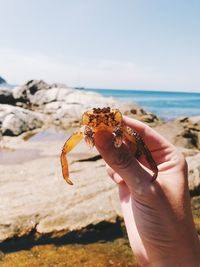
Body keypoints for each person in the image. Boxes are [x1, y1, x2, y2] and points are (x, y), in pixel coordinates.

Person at [94, 116, 200, 267]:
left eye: (108, 115)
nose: (101, 119)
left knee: (139, 141)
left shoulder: (121, 126)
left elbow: (138, 139)